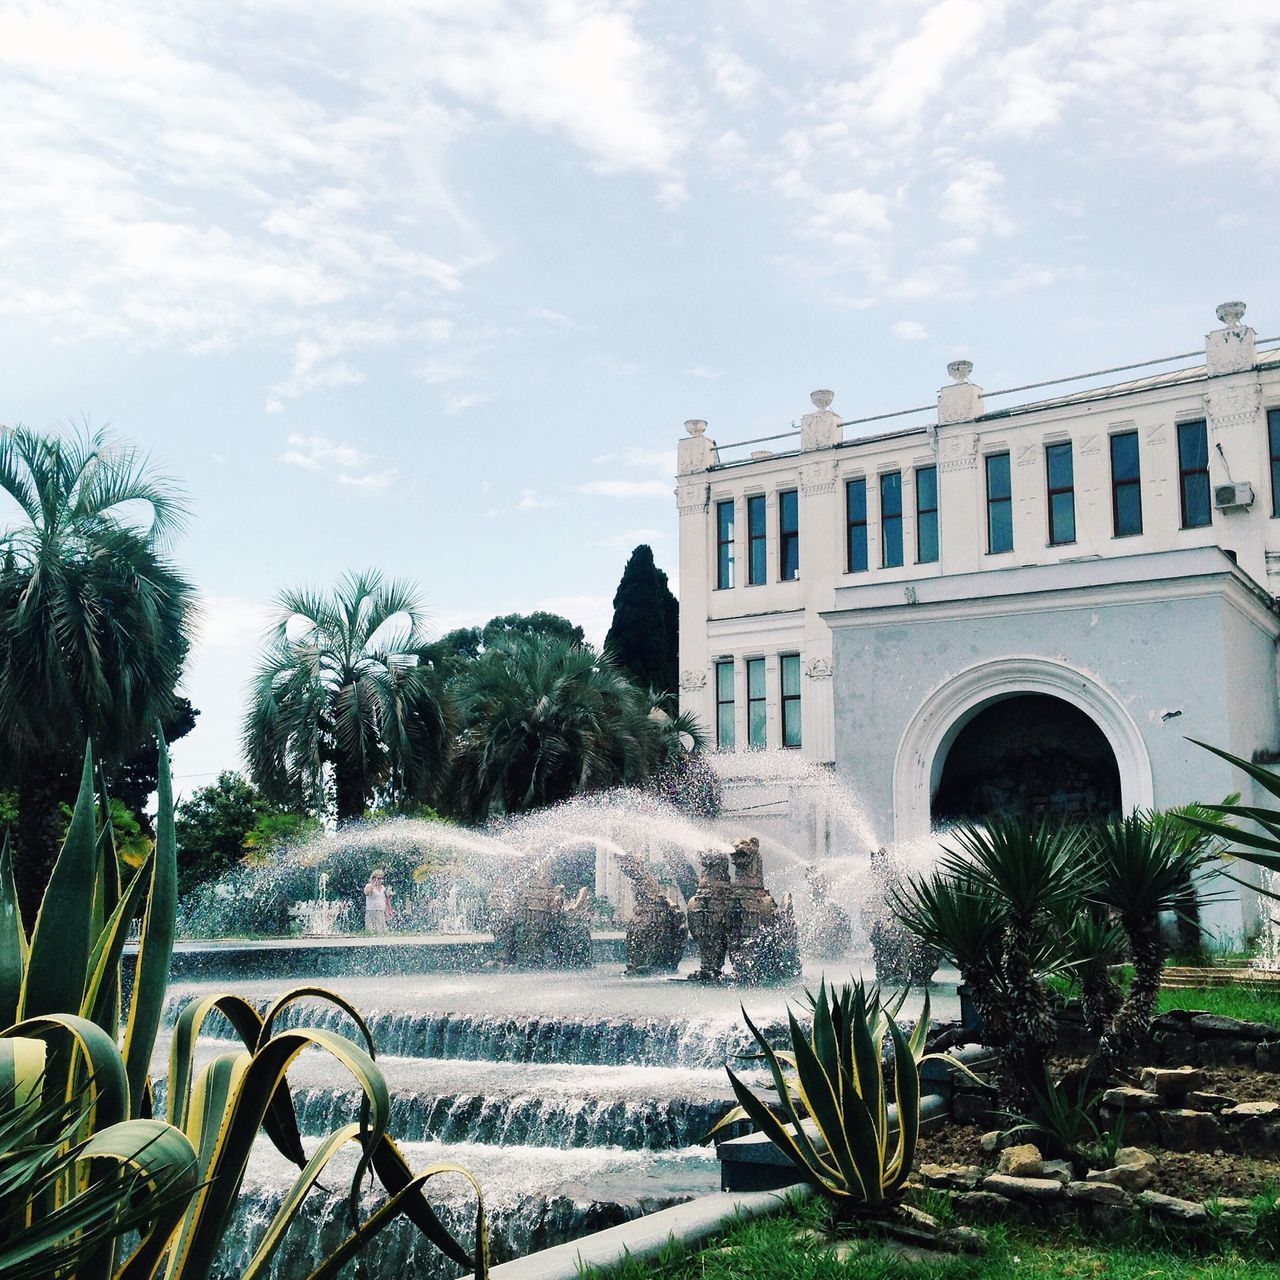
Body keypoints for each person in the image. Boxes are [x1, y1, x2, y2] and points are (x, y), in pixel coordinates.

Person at [363, 869, 391, 933]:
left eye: (381, 878)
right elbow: (366, 893)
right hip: (371, 911)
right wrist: (373, 884)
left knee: (381, 931)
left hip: (381, 911)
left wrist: (388, 909)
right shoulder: (369, 886)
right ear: (373, 878)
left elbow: (386, 899)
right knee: (372, 931)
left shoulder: (383, 887)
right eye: (378, 878)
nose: (380, 880)